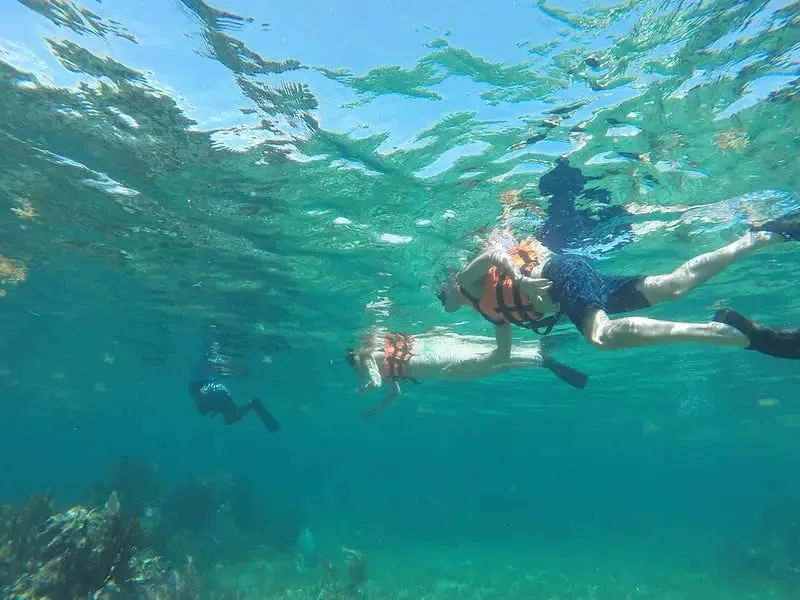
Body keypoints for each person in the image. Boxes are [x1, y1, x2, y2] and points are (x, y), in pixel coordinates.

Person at [436, 212, 800, 360]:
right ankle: (764, 235)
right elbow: (501, 355)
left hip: (561, 272)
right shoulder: (490, 314)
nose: (442, 299)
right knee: (673, 285)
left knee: (602, 336)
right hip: (573, 282)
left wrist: (524, 282)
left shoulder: (467, 282)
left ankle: (727, 333)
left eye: (441, 293)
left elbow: (496, 256)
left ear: (452, 283)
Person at [346, 328, 588, 420]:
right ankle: (539, 357)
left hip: (444, 365)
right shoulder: (382, 365)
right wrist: (375, 410)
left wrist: (361, 390)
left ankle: (539, 356)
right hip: (445, 370)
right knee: (491, 363)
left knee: (491, 362)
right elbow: (393, 394)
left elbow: (376, 384)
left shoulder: (366, 357)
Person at [189, 322, 280, 432]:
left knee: (213, 411)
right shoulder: (207, 392)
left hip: (208, 389)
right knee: (226, 416)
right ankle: (252, 404)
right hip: (210, 390)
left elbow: (207, 387)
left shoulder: (205, 392)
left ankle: (252, 404)